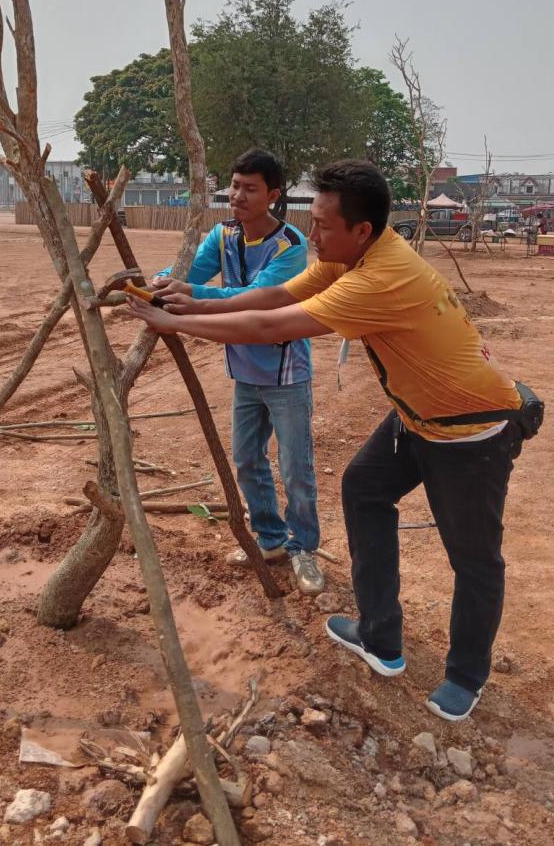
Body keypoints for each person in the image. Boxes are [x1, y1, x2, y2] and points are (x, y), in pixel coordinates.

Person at [130, 160, 527, 722]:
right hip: (414, 416)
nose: (310, 234)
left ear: (361, 230)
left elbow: (272, 327)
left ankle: (465, 676)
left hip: (469, 430)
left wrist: (177, 324)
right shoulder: (352, 254)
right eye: (311, 219)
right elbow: (278, 296)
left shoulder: (378, 279)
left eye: (321, 225)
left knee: (474, 558)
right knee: (364, 490)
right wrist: (196, 304)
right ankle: (380, 638)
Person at [152, 148, 324, 595]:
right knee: (248, 460)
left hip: (285, 374)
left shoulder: (290, 245)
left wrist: (193, 297)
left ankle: (303, 547)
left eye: (250, 189)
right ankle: (270, 540)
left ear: (273, 195)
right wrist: (158, 282)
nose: (238, 196)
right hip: (245, 371)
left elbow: (258, 299)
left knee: (295, 467)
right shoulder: (223, 234)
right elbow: (190, 270)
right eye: (234, 186)